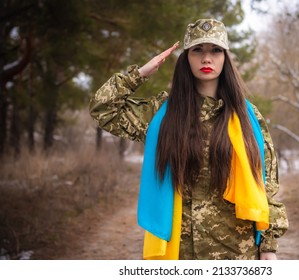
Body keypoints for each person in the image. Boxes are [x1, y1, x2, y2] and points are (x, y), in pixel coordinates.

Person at [90, 18, 288, 260]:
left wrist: (268, 246)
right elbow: (103, 108)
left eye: (215, 50)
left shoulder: (248, 117)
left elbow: (266, 183)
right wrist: (140, 73)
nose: (207, 58)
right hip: (180, 252)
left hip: (237, 252)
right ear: (186, 58)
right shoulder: (163, 113)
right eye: (197, 50)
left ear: (226, 58)